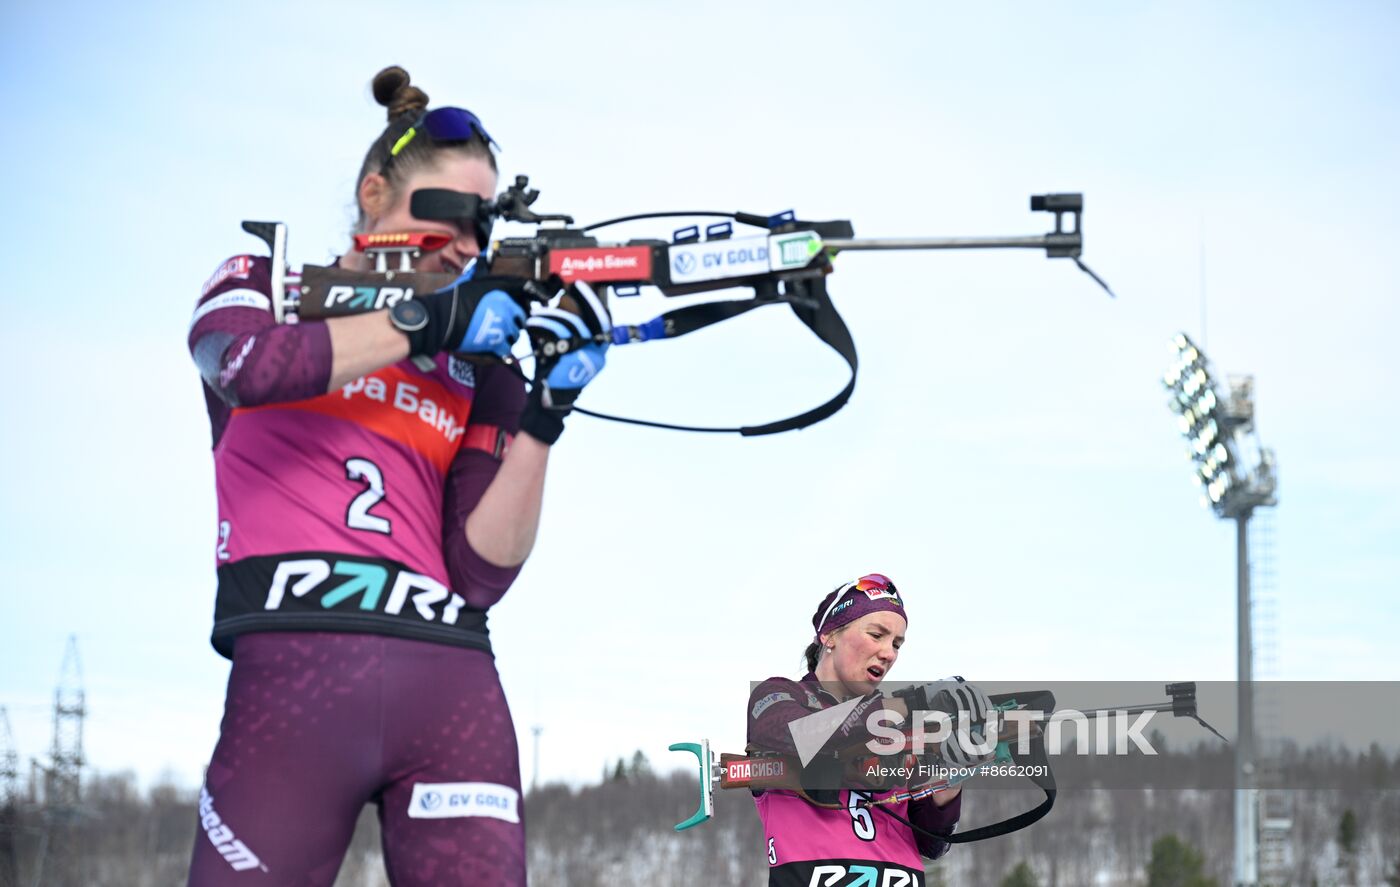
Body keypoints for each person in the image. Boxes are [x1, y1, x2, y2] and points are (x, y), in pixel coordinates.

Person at [185, 66, 604, 885]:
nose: (466, 244)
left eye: (482, 224)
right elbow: (246, 364)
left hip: (449, 677)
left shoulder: (478, 363)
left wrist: (546, 413)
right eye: (447, 213)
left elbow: (482, 568)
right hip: (293, 674)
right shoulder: (264, 284)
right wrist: (425, 320)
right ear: (373, 191)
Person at [745, 573, 994, 886]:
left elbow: (933, 843)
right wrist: (913, 701)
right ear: (829, 635)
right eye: (877, 635)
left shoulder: (901, 725)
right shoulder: (779, 695)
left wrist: (952, 775)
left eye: (896, 644)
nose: (889, 653)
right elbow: (794, 735)